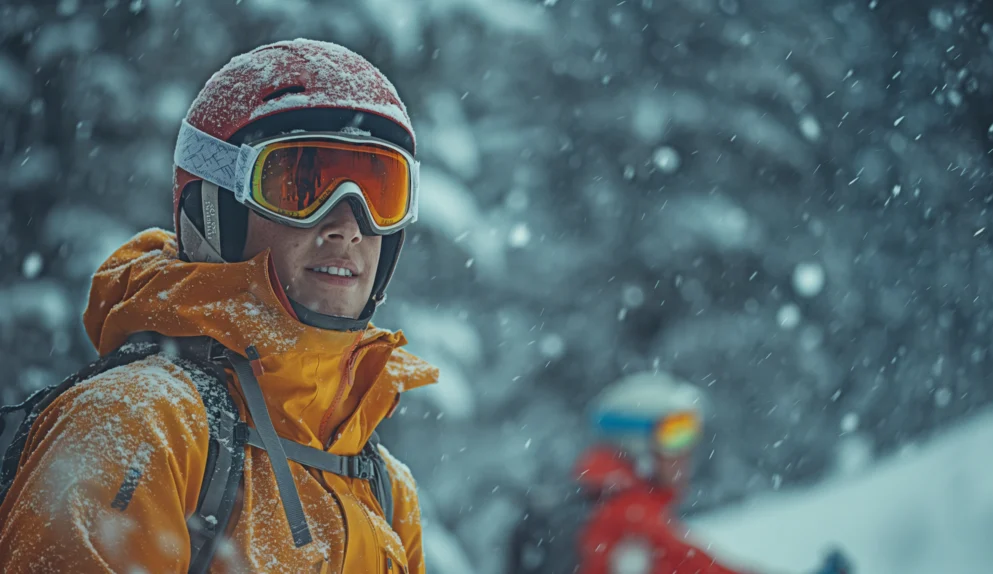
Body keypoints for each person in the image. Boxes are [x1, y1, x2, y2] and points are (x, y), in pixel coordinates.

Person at [0, 39, 437, 573]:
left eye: (379, 190)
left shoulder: (384, 487)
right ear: (215, 208)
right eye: (301, 186)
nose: (347, 224)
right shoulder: (138, 423)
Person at [509, 372, 853, 574]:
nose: (685, 452)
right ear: (635, 444)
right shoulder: (626, 517)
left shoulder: (596, 503)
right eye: (674, 435)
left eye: (689, 434)